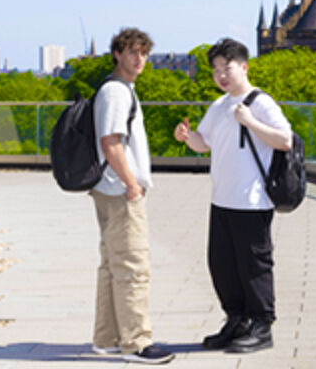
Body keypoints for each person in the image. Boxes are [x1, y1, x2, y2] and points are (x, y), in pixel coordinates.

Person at [173, 37, 293, 353]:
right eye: (215, 70)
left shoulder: (261, 103)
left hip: (252, 202)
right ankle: (237, 320)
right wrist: (188, 138)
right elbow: (204, 143)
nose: (221, 76)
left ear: (244, 67)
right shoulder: (219, 106)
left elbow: (285, 140)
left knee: (254, 266)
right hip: (222, 200)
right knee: (222, 265)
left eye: (226, 68)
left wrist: (250, 121)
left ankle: (262, 325)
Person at [89, 28, 174, 364]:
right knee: (133, 266)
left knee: (112, 266)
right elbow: (111, 142)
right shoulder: (116, 93)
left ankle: (107, 338)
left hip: (110, 189)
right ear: (117, 54)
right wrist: (132, 184)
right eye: (132, 52)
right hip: (120, 191)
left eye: (144, 53)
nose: (139, 59)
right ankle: (137, 343)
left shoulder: (121, 90)